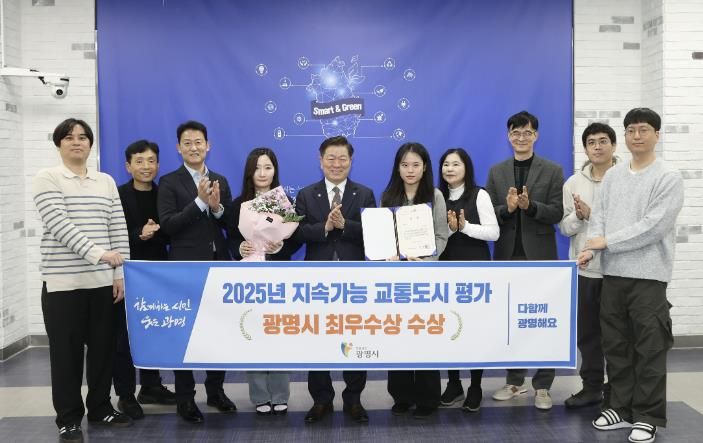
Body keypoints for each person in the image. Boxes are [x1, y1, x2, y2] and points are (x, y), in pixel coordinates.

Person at [579, 108, 683, 443]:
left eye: (643, 130)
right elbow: (599, 218)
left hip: (649, 277)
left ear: (656, 135)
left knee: (649, 348)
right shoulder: (613, 176)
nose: (636, 136)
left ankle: (647, 415)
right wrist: (592, 248)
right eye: (631, 130)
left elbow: (654, 226)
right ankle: (621, 408)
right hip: (613, 274)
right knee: (616, 345)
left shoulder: (668, 177)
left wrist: (607, 242)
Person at [32, 118, 133, 442]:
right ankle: (69, 418)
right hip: (63, 285)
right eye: (69, 137)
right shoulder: (47, 178)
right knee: (67, 356)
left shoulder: (105, 181)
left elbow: (118, 227)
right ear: (59, 144)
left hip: (103, 284)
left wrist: (120, 273)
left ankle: (101, 407)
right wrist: (100, 254)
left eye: (83, 137)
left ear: (91, 143)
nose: (77, 142)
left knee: (103, 352)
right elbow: (60, 226)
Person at [294, 135, 377, 424]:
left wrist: (346, 225)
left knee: (355, 337)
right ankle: (321, 400)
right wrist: (326, 227)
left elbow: (373, 233)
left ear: (351, 161)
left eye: (343, 158)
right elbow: (297, 233)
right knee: (317, 338)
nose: (336, 164)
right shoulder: (306, 194)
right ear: (321, 161)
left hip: (354, 281)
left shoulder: (364, 194)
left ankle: (353, 399)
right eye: (331, 158)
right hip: (317, 280)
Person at [157, 120, 236, 423]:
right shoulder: (169, 182)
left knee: (218, 332)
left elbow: (231, 224)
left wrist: (216, 208)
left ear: (208, 145)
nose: (194, 147)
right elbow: (169, 225)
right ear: (179, 148)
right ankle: (186, 398)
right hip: (185, 268)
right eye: (187, 143)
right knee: (185, 335)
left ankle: (215, 391)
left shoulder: (220, 180)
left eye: (198, 142)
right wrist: (200, 203)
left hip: (219, 266)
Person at [485, 110, 564, 410]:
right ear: (508, 136)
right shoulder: (497, 172)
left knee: (544, 320)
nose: (521, 138)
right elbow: (489, 213)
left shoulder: (553, 170)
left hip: (541, 256)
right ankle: (515, 381)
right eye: (516, 133)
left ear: (536, 135)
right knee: (512, 321)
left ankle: (543, 386)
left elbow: (557, 212)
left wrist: (531, 207)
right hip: (507, 255)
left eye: (527, 132)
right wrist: (506, 209)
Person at [228, 147, 300, 415]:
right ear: (249, 172)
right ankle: (259, 395)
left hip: (278, 277)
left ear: (275, 171)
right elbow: (230, 238)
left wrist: (281, 247)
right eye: (257, 168)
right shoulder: (239, 204)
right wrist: (240, 248)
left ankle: (280, 394)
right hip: (249, 278)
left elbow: (296, 239)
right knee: (253, 331)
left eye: (267, 167)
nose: (262, 173)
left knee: (278, 332)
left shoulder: (284, 201)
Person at [382, 142, 449, 419]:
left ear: (425, 167)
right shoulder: (388, 196)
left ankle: (427, 397)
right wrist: (388, 254)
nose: (410, 170)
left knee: (424, 334)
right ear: (398, 168)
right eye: (405, 165)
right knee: (398, 333)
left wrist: (426, 260)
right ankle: (402, 395)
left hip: (425, 276)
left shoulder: (435, 196)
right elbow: (383, 236)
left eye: (415, 165)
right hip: (397, 279)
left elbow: (442, 235)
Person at [113, 140, 177, 420]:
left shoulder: (165, 194)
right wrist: (139, 233)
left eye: (151, 161)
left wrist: (158, 232)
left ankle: (151, 386)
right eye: (139, 161)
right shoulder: (117, 195)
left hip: (158, 273)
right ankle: (125, 395)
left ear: (158, 165)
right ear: (128, 166)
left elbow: (174, 231)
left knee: (154, 329)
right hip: (127, 273)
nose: (146, 166)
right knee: (124, 336)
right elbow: (110, 233)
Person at [559, 123, 617, 410]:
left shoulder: (626, 179)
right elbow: (565, 228)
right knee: (588, 335)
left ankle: (617, 390)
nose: (597, 146)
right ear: (585, 148)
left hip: (618, 270)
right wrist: (579, 217)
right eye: (591, 142)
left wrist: (593, 215)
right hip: (584, 271)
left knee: (616, 336)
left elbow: (628, 227)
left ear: (613, 146)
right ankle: (592, 387)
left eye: (603, 141)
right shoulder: (573, 183)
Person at [437, 148, 499, 412]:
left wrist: (465, 227)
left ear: (466, 168)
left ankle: (475, 386)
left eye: (456, 164)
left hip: (475, 270)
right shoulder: (437, 196)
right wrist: (451, 231)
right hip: (445, 269)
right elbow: (436, 236)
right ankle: (453, 384)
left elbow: (494, 233)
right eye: (446, 164)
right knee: (449, 328)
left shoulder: (478, 194)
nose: (450, 169)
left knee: (474, 330)